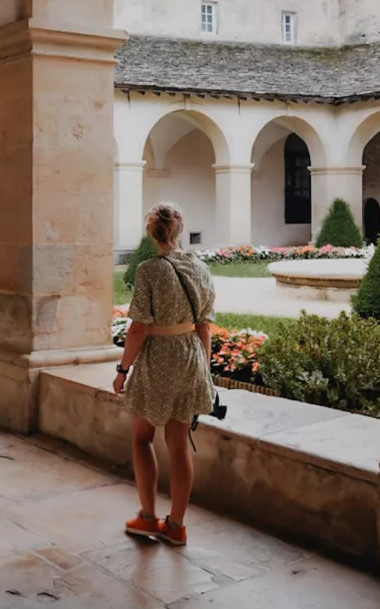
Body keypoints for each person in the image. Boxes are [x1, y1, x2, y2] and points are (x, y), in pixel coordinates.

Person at [113, 204, 215, 547]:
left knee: (142, 438)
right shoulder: (200, 268)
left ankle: (146, 517)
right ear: (179, 230)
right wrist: (206, 370)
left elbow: (139, 328)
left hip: (158, 359)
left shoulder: (149, 270)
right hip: (190, 357)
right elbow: (205, 327)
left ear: (151, 233)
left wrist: (122, 370)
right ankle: (176, 525)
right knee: (179, 444)